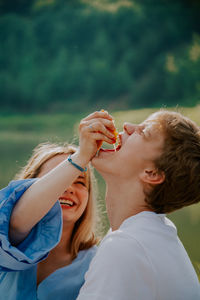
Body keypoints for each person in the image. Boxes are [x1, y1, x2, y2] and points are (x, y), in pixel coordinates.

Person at [77, 110, 200, 300]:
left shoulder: (126, 246)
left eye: (143, 132)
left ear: (152, 173)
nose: (127, 126)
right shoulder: (148, 236)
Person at [0, 110, 117, 300]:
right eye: (58, 179)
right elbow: (15, 221)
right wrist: (80, 157)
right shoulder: (7, 239)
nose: (69, 187)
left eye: (80, 182)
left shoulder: (99, 263)